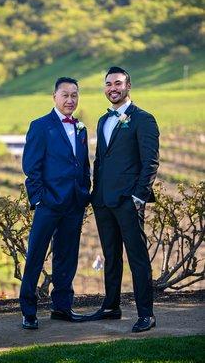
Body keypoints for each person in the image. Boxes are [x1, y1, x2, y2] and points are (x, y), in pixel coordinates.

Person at [90, 66, 159, 332]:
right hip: (103, 201)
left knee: (137, 257)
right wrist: (95, 194)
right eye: (108, 84)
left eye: (118, 83)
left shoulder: (143, 119)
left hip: (129, 201)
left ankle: (146, 314)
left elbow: (150, 161)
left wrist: (139, 197)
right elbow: (100, 160)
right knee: (111, 255)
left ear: (128, 86)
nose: (113, 88)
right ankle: (111, 306)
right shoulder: (102, 120)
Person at [19, 77, 91, 329]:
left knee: (67, 257)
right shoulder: (40, 126)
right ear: (54, 97)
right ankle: (28, 311)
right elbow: (31, 167)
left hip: (74, 204)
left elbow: (83, 165)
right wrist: (39, 199)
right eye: (65, 95)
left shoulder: (82, 128)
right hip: (48, 204)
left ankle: (62, 308)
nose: (70, 100)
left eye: (74, 95)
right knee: (36, 256)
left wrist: (84, 191)